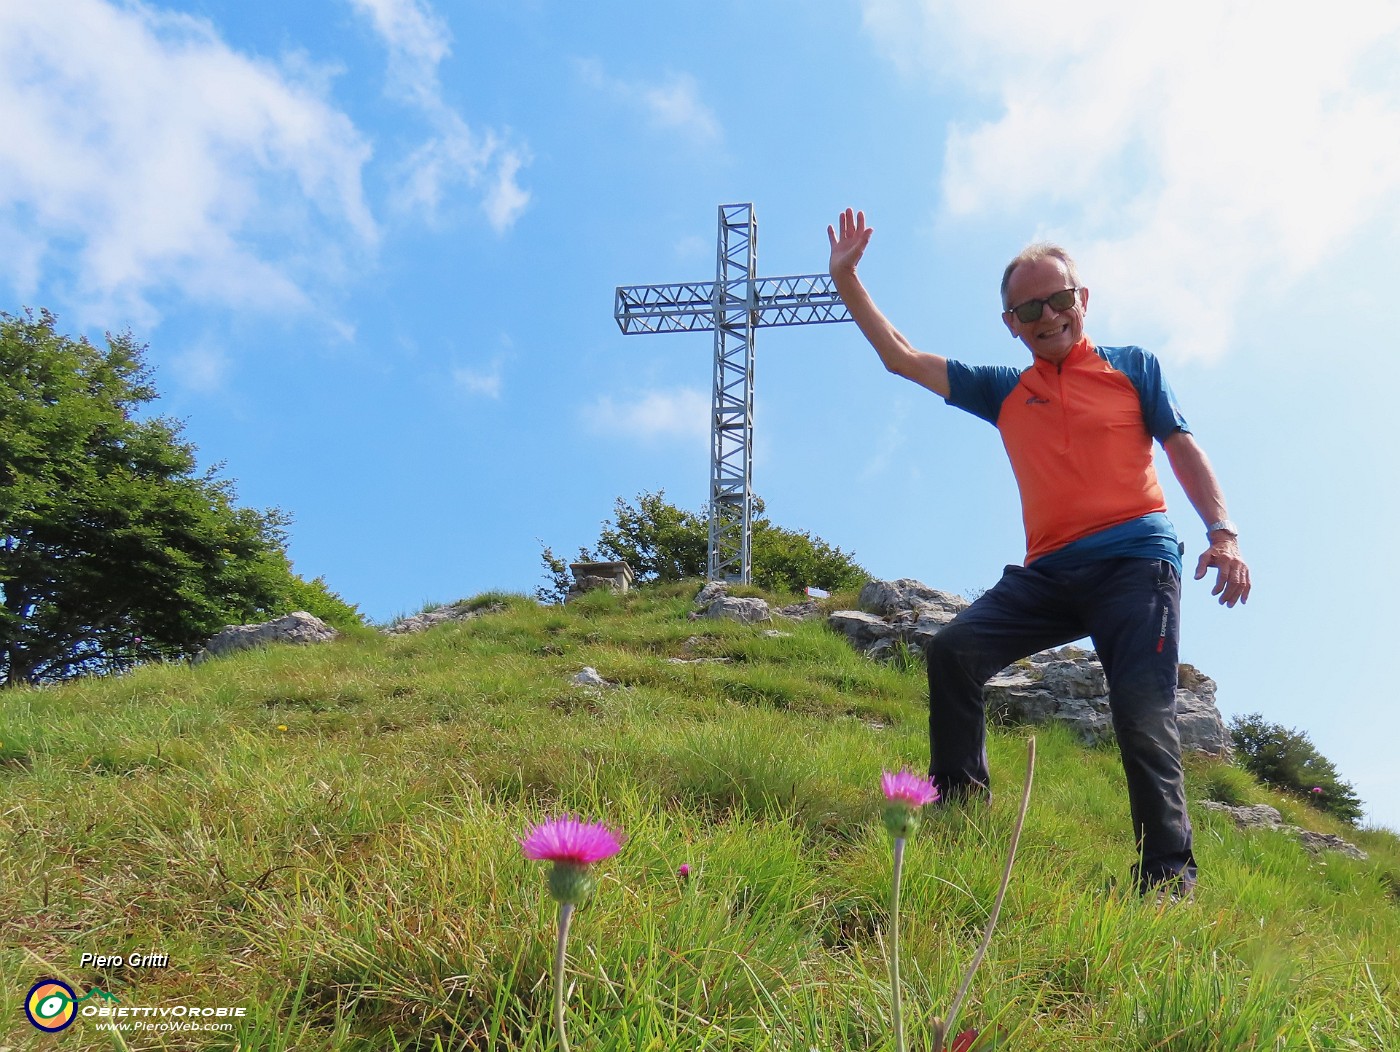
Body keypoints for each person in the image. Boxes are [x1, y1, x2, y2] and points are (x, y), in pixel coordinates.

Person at [827, 208, 1251, 894]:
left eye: (1059, 299)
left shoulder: (1131, 367)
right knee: (954, 649)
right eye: (1030, 308)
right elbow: (900, 357)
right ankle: (962, 813)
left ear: (1083, 300)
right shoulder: (1005, 390)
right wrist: (846, 278)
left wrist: (1222, 533)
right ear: (1012, 323)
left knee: (1142, 713)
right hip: (1049, 574)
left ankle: (1168, 878)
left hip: (1135, 564)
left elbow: (1181, 446)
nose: (1048, 315)